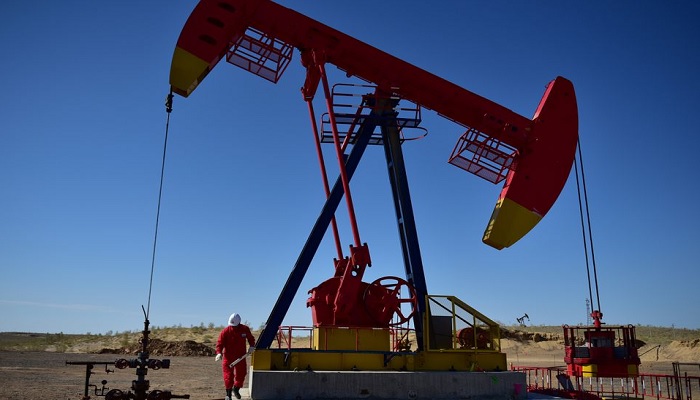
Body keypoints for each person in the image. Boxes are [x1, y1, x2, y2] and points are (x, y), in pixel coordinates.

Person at [215, 313, 255, 400]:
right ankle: (228, 395)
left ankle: (236, 389)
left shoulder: (245, 329)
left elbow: (251, 339)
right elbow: (219, 343)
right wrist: (218, 353)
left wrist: (252, 346)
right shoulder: (225, 331)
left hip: (241, 357)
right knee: (228, 376)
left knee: (242, 374)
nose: (233, 327)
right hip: (228, 357)